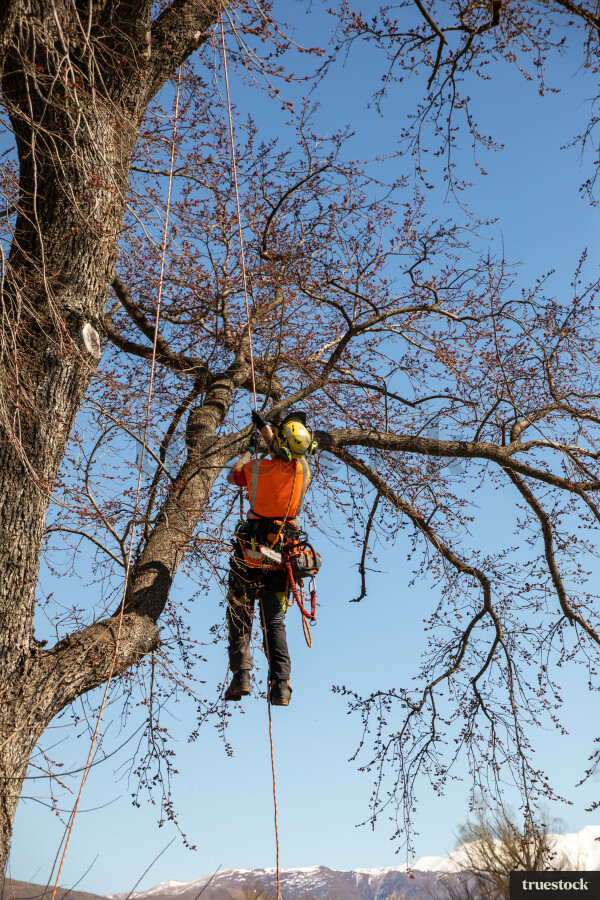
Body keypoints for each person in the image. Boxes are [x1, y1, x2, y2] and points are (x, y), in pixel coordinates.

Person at [224, 409, 316, 706]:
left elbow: (233, 475)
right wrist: (265, 427)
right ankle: (281, 686)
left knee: (239, 612)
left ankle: (241, 675)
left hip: (249, 552)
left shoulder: (255, 469)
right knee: (274, 621)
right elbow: (284, 449)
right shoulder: (303, 469)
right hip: (281, 556)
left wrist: (250, 449)